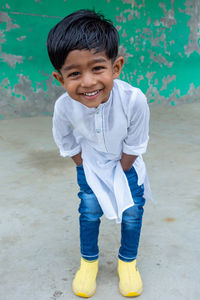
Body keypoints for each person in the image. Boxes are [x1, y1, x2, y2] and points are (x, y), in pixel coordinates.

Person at [47, 9, 151, 298]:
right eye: (74, 74)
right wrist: (83, 164)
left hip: (127, 166)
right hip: (90, 167)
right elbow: (65, 138)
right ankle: (88, 262)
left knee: (132, 213)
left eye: (97, 68)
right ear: (60, 78)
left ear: (116, 67)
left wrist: (123, 168)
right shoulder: (64, 107)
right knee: (89, 212)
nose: (88, 82)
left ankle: (127, 262)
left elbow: (136, 141)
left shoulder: (134, 100)